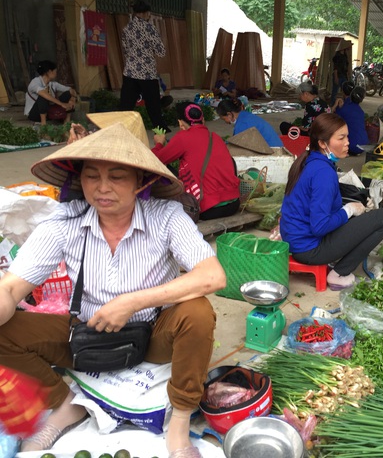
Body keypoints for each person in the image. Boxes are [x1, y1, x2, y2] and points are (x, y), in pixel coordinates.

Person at [0, 122, 223, 458]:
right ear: (80, 179)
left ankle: (178, 422)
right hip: (85, 336)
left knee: (197, 311)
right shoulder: (64, 223)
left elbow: (213, 276)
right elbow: (13, 287)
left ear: (140, 182)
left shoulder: (166, 216)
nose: (102, 188)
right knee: (5, 330)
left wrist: (132, 302)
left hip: (152, 335)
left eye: (117, 176)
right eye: (92, 176)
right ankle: (63, 405)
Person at [280, 113, 383, 291]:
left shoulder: (311, 160)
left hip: (297, 240)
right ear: (323, 143)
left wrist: (355, 209)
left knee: (363, 216)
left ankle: (337, 267)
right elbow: (320, 226)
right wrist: (348, 210)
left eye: (347, 136)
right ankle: (339, 274)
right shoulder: (323, 173)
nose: (347, 142)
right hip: (309, 249)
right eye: (341, 138)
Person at [152, 102, 241, 220]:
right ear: (202, 119)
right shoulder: (215, 136)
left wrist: (159, 143)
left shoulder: (183, 137)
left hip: (209, 209)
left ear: (180, 122)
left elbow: (154, 160)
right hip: (234, 204)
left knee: (164, 170)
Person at [119, 0, 169, 133]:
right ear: (145, 13)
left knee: (126, 105)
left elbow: (125, 50)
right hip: (147, 73)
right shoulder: (150, 28)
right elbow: (161, 51)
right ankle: (160, 130)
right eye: (148, 13)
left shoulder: (126, 28)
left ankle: (120, 130)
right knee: (153, 105)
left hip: (130, 71)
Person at [24, 60, 78, 127]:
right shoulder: (35, 82)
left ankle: (67, 120)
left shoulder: (52, 84)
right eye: (55, 71)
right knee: (43, 96)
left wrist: (73, 98)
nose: (56, 73)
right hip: (35, 114)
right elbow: (44, 94)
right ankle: (43, 124)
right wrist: (62, 104)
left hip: (48, 112)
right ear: (49, 72)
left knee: (68, 94)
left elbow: (71, 90)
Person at [216, 98, 283, 147]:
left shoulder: (242, 124)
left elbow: (236, 145)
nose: (225, 122)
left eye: (224, 119)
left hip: (273, 152)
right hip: (276, 146)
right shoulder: (245, 115)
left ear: (229, 114)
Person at [332, 82, 368, 155]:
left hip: (352, 146)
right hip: (364, 144)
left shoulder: (342, 107)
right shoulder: (360, 110)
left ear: (342, 91)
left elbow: (330, 119)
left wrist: (335, 105)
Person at [330, 40, 351, 107]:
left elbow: (346, 66)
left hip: (343, 75)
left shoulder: (345, 56)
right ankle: (333, 104)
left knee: (345, 90)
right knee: (335, 91)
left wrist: (347, 74)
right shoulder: (337, 57)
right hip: (338, 75)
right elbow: (335, 68)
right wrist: (336, 77)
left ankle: (344, 103)